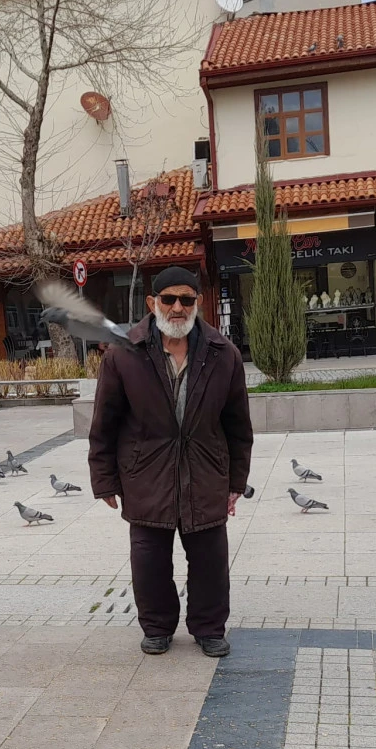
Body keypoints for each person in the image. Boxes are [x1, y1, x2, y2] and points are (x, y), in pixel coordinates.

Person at [88, 266, 253, 658]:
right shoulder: (122, 353)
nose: (178, 308)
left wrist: (236, 480)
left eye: (187, 300)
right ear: (153, 303)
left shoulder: (222, 353)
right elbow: (104, 422)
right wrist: (104, 479)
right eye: (169, 299)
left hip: (205, 472)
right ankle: (158, 626)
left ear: (198, 303)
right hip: (146, 474)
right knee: (149, 560)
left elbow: (238, 426)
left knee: (211, 560)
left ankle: (209, 627)